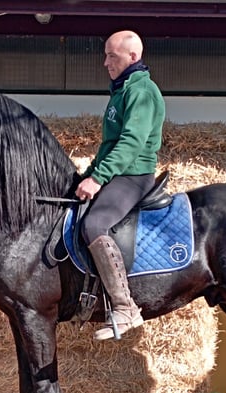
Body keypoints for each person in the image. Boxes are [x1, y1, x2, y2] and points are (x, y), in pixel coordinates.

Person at [75, 30, 166, 341]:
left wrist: (99, 178)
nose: (105, 62)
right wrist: (88, 173)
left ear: (133, 57)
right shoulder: (121, 90)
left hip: (134, 176)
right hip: (118, 173)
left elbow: (130, 144)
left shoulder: (141, 92)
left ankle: (125, 307)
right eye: (105, 55)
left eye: (112, 56)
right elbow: (108, 145)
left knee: (95, 223)